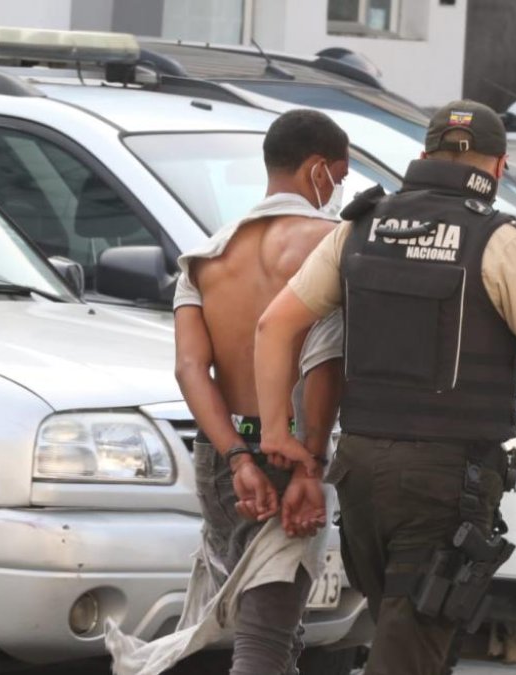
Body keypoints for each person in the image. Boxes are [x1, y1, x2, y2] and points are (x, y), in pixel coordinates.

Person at [253, 99, 516, 675]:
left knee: (410, 630)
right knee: (411, 643)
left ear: (421, 156)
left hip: (360, 468)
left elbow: (274, 325)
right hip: (447, 479)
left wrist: (274, 430)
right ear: (500, 167)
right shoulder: (502, 241)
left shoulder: (361, 226)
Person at [106, 109, 349, 675]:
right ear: (317, 169)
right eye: (338, 177)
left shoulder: (207, 258)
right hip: (293, 455)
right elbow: (324, 362)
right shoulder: (332, 247)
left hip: (224, 460)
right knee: (265, 640)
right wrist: (308, 467)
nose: (338, 192)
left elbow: (191, 369)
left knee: (279, 631)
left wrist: (238, 457)